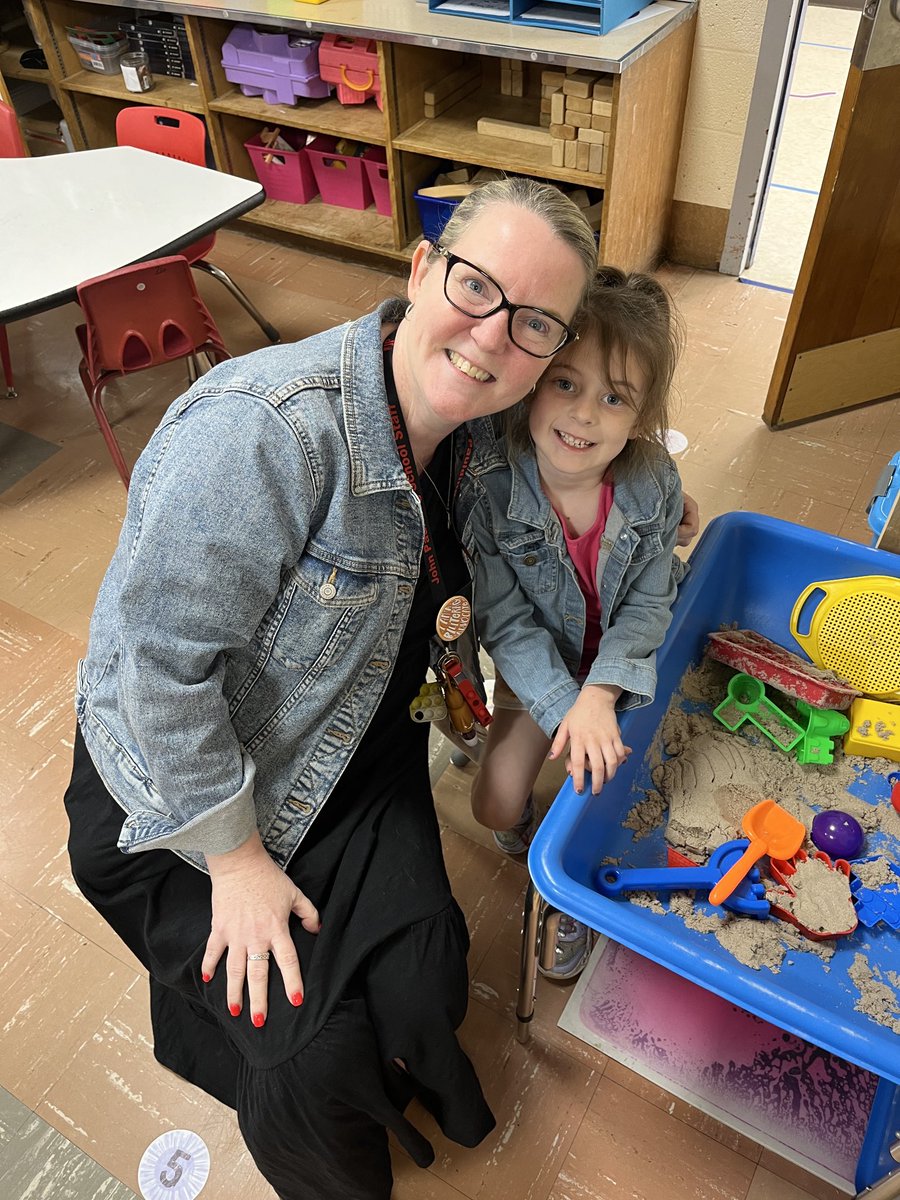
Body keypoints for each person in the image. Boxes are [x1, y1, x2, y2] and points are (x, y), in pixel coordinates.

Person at [63, 177, 601, 1200]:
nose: (491, 340)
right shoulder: (263, 430)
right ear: (420, 270)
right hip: (186, 803)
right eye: (475, 288)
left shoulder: (483, 433)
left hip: (349, 749)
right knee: (309, 1054)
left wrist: (655, 502)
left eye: (533, 325)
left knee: (427, 975)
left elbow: (589, 453)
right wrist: (235, 863)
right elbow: (160, 672)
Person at [468, 267, 687, 980]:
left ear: (642, 416)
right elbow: (505, 622)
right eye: (566, 383)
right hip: (541, 674)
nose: (586, 414)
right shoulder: (493, 489)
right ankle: (533, 835)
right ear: (533, 380)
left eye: (614, 397)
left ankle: (572, 898)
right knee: (497, 804)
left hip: (624, 666)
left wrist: (602, 698)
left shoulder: (653, 482)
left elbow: (652, 602)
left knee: (606, 790)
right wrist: (569, 708)